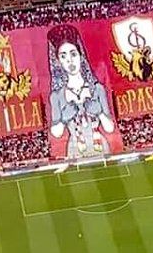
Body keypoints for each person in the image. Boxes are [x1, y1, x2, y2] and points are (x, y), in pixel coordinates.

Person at [47, 24, 117, 159]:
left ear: (80, 55)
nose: (69, 60)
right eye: (63, 56)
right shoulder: (57, 95)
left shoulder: (97, 88)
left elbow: (110, 128)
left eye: (73, 54)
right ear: (58, 62)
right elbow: (56, 133)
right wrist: (62, 120)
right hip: (74, 148)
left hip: (100, 146)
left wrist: (101, 113)